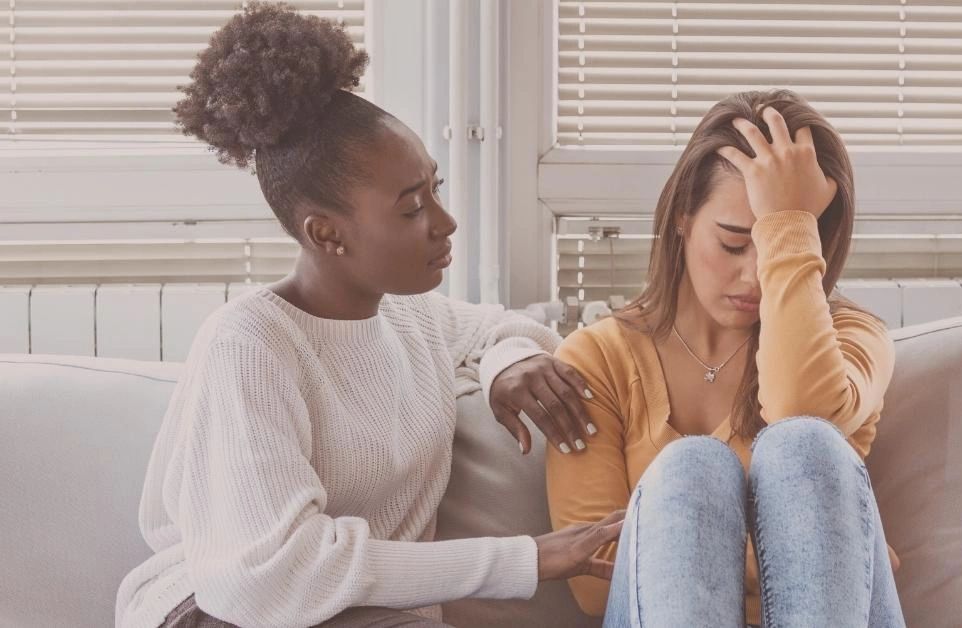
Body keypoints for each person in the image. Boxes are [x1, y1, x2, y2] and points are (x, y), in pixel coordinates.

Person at [115, 4, 620, 627]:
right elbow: (274, 580)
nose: (445, 222)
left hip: (363, 614)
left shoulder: (412, 320)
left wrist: (509, 364)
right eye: (411, 209)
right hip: (222, 614)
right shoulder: (251, 343)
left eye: (435, 189)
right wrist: (525, 559)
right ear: (326, 234)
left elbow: (504, 329)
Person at [545, 90, 904, 627]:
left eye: (783, 241)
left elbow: (802, 413)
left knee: (804, 441)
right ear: (684, 218)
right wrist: (834, 549)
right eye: (735, 243)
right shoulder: (599, 359)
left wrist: (787, 221)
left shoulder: (851, 339)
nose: (755, 276)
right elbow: (598, 579)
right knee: (692, 468)